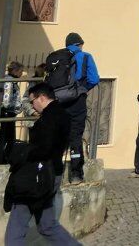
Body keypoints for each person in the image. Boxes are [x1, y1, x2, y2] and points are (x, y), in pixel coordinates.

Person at [5, 82, 80, 245]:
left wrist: (22, 153)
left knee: (16, 227)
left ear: (42, 97)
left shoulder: (49, 118)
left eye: (33, 101)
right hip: (52, 174)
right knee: (47, 226)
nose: (32, 105)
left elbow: (43, 148)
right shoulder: (63, 115)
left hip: (37, 176)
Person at [60, 32, 99, 182]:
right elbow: (94, 78)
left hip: (60, 101)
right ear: (79, 44)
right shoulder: (86, 56)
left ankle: (55, 170)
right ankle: (76, 174)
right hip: (77, 101)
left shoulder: (58, 57)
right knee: (75, 136)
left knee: (59, 134)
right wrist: (83, 90)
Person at [0, 61, 27, 164]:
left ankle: (5, 157)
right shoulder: (9, 82)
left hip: (10, 112)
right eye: (21, 71)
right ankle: (3, 158)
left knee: (9, 137)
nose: (22, 74)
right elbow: (6, 100)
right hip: (7, 113)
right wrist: (12, 108)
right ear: (15, 71)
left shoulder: (12, 81)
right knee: (7, 137)